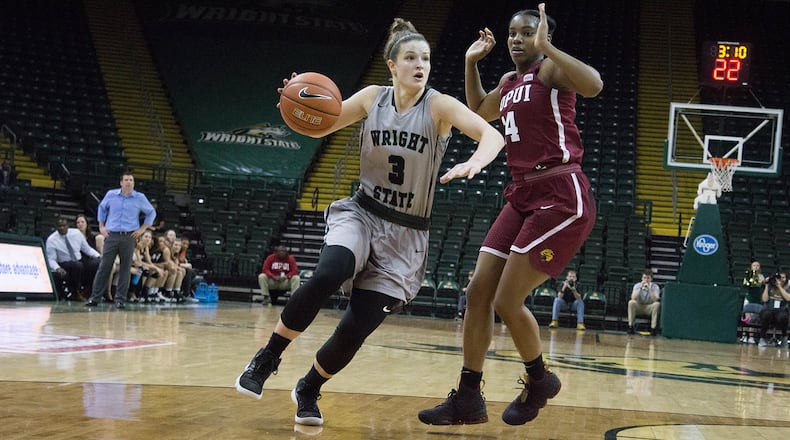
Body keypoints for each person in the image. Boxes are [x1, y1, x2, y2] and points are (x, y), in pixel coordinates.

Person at [234, 17, 506, 427]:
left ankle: (308, 388)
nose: (421, 65)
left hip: (406, 233)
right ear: (392, 66)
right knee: (331, 270)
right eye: (411, 57)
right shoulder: (370, 98)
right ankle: (268, 355)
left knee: (354, 329)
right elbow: (320, 122)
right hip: (362, 213)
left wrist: (474, 161)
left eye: (426, 58)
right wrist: (295, 106)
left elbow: (493, 136)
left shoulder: (438, 106)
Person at [418, 3, 601, 427]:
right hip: (522, 193)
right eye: (512, 33)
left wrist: (549, 48)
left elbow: (594, 85)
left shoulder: (550, 71)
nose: (516, 39)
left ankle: (539, 380)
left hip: (560, 193)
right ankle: (468, 396)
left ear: (541, 38)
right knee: (478, 292)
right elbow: (481, 110)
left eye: (526, 33)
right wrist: (469, 62)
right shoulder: (510, 80)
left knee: (506, 299)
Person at [84, 171, 156, 309]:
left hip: (129, 236)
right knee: (104, 266)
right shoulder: (111, 194)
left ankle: (120, 299)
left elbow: (151, 212)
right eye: (126, 180)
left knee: (125, 268)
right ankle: (95, 297)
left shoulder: (139, 197)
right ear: (121, 182)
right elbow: (102, 208)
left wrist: (142, 229)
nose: (129, 182)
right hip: (112, 235)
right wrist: (101, 226)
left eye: (131, 180)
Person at [46, 216, 101, 301]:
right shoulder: (51, 240)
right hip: (64, 263)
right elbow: (51, 259)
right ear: (56, 227)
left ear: (68, 226)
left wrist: (98, 256)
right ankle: (75, 293)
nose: (62, 228)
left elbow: (87, 249)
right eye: (59, 226)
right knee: (77, 265)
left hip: (78, 260)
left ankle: (88, 290)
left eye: (64, 226)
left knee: (96, 263)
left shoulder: (76, 233)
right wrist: (57, 268)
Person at [757, 271, 789, 347]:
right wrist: (766, 286)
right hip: (769, 310)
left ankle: (784, 337)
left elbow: (788, 298)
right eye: (779, 278)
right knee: (766, 314)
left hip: (780, 311)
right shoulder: (770, 286)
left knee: (784, 316)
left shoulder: (787, 287)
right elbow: (764, 300)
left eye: (783, 277)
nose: (780, 279)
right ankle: (762, 338)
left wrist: (780, 287)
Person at [627, 269, 661, 335]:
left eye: (648, 278)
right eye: (644, 278)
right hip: (639, 306)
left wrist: (649, 289)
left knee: (657, 304)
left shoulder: (655, 287)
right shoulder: (637, 285)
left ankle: (653, 328)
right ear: (642, 278)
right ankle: (630, 326)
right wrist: (640, 288)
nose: (646, 280)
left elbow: (655, 300)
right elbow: (633, 298)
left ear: (651, 279)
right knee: (631, 302)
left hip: (649, 307)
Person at [741, 260, 766, 343]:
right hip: (749, 297)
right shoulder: (748, 275)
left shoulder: (761, 276)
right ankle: (744, 335)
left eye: (758, 265)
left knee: (754, 318)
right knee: (747, 317)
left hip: (757, 298)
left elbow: (763, 284)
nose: (756, 267)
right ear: (751, 267)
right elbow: (746, 284)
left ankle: (751, 336)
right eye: (754, 265)